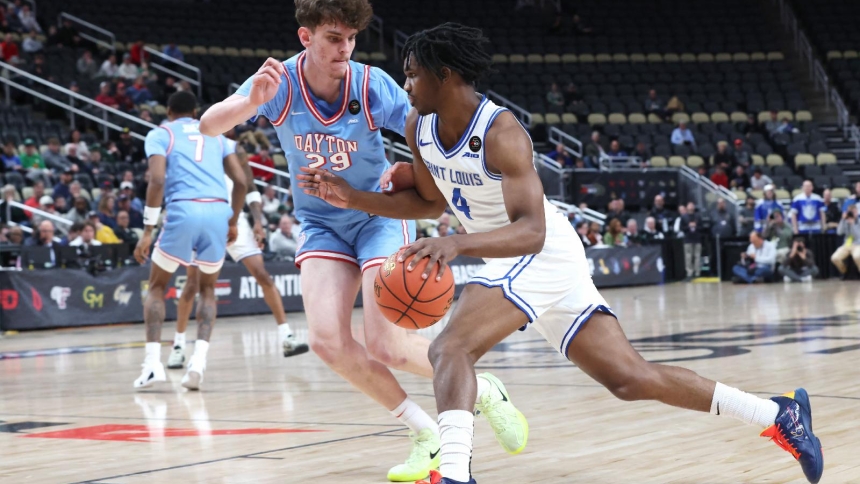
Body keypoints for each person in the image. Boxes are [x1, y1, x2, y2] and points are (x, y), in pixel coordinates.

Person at [296, 23, 823, 484]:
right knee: (629, 379)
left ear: (447, 74)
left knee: (448, 349)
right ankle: (778, 414)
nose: (405, 85)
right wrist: (352, 197)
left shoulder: (501, 132)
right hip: (507, 256)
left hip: (539, 250)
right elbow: (430, 200)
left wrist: (456, 243)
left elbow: (530, 231)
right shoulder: (419, 127)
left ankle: (455, 474)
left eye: (413, 75)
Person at [198, 4, 519, 481]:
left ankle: (483, 389)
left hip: (376, 214)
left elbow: (425, 125)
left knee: (386, 345)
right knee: (327, 342)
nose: (344, 48)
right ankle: (424, 432)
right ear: (305, 37)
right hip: (321, 222)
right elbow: (208, 125)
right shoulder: (279, 82)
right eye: (333, 38)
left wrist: (414, 170)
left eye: (350, 38)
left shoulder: (369, 84)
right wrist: (249, 103)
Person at [132, 91, 247, 392]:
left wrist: (147, 229)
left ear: (169, 111)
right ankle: (198, 364)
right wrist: (232, 220)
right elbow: (242, 182)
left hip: (184, 208)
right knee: (207, 290)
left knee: (157, 287)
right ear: (196, 112)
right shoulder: (217, 134)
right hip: (216, 212)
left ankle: (153, 364)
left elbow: (156, 180)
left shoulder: (160, 133)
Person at [171, 139, 308, 370]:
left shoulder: (235, 148)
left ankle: (287, 337)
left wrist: (257, 222)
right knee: (192, 285)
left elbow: (251, 187)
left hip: (235, 220)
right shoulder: (195, 148)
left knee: (262, 275)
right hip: (205, 219)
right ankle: (178, 346)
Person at [831, 203, 860, 276]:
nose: (852, 214)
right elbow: (839, 232)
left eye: (853, 212)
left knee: (857, 256)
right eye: (850, 212)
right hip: (847, 244)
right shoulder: (845, 221)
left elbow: (858, 235)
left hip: (858, 244)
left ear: (857, 212)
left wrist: (853, 224)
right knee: (834, 258)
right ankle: (844, 272)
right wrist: (842, 220)